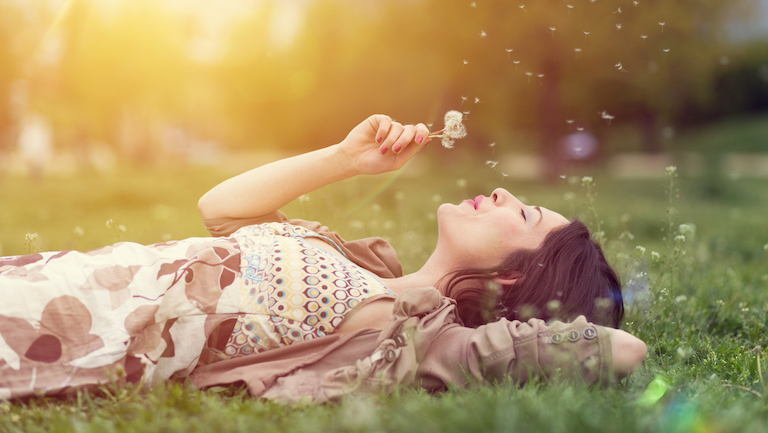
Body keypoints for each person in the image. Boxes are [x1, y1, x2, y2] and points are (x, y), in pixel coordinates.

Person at [0, 115, 646, 402]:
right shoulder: (356, 260)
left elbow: (623, 350)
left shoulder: (417, 339)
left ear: (514, 274)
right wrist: (347, 160)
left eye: (526, 215)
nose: (506, 193)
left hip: (80, 333)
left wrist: (527, 332)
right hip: (60, 274)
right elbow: (222, 205)